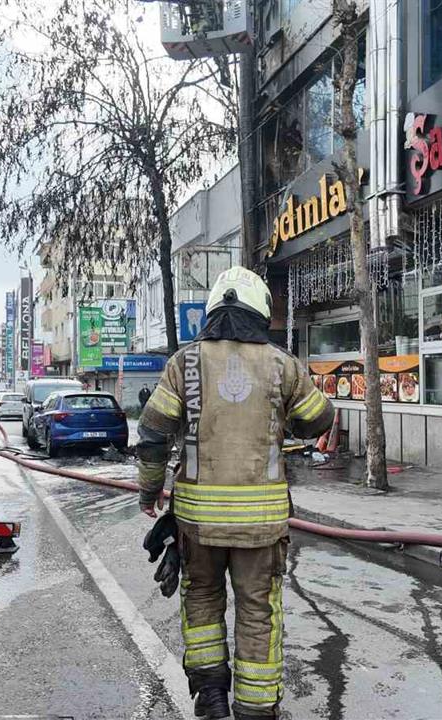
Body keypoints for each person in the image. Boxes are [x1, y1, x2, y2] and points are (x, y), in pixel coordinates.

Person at [136, 266, 334, 720]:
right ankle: (256, 709)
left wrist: (150, 493)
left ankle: (210, 697)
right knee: (258, 612)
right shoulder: (283, 364)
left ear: (213, 310)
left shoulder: (184, 363)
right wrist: (284, 418)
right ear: (260, 310)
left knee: (202, 599)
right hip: (260, 528)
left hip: (197, 525)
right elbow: (319, 419)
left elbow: (153, 433)